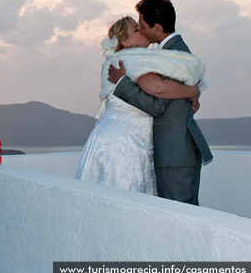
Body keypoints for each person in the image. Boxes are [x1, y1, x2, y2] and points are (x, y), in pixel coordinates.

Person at [76, 16, 205, 195]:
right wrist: (192, 92)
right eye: (136, 29)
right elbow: (157, 94)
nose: (142, 30)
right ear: (125, 42)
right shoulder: (132, 60)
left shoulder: (129, 60)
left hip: (117, 138)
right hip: (124, 144)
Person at [108, 0, 213, 205]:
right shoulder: (169, 51)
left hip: (176, 154)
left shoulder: (173, 53)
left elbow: (157, 100)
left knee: (182, 215)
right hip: (175, 152)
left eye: (143, 25)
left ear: (156, 27)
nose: (142, 29)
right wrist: (193, 93)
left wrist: (123, 84)